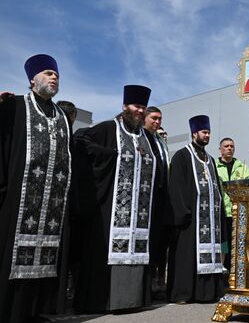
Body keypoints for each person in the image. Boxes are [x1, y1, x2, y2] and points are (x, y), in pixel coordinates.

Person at [0, 54, 72, 323]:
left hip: (52, 204)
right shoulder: (14, 106)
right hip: (17, 198)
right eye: (47, 73)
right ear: (32, 79)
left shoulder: (62, 116)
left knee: (47, 256)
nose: (54, 77)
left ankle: (34, 311)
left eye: (56, 74)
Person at [73, 85, 156, 313]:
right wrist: (109, 156)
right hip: (110, 208)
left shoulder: (147, 138)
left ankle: (133, 300)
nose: (139, 111)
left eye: (142, 107)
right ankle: (106, 302)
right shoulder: (110, 128)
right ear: (124, 107)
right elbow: (80, 140)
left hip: (140, 213)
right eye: (136, 106)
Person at [166, 115, 225, 303]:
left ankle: (207, 293)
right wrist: (183, 212)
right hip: (191, 217)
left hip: (210, 218)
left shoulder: (210, 159)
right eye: (204, 132)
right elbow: (175, 186)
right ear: (194, 133)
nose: (207, 135)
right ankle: (184, 293)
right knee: (187, 257)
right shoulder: (182, 155)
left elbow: (216, 186)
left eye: (209, 132)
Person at [215, 138, 249, 273]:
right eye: (226, 146)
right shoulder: (214, 165)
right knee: (223, 242)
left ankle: (236, 269)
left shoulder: (241, 166)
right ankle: (222, 266)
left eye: (232, 146)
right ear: (220, 149)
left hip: (237, 213)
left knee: (237, 242)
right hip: (221, 211)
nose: (229, 148)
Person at [144, 106, 170, 298]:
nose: (157, 122)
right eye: (153, 118)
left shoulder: (160, 142)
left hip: (161, 197)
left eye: (159, 119)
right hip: (146, 197)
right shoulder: (141, 136)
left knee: (160, 243)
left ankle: (158, 278)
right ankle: (148, 280)